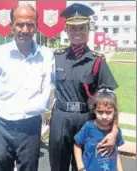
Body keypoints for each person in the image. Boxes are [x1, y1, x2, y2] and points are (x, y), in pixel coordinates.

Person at [0, 3, 53, 171]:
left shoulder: (47, 56)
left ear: (36, 27)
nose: (25, 30)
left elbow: (48, 90)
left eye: (30, 24)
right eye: (19, 24)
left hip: (31, 127)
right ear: (11, 26)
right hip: (2, 126)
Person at [49, 3, 119, 171]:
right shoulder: (56, 57)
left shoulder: (97, 61)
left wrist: (114, 130)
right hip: (60, 119)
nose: (77, 32)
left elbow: (111, 99)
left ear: (88, 29)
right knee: (57, 165)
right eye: (73, 28)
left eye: (82, 28)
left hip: (86, 120)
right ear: (66, 30)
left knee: (83, 166)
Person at [74, 88, 124, 171]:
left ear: (114, 112)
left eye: (108, 112)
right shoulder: (88, 127)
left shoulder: (116, 131)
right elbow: (77, 145)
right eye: (100, 112)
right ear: (94, 110)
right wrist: (80, 167)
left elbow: (116, 152)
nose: (104, 116)